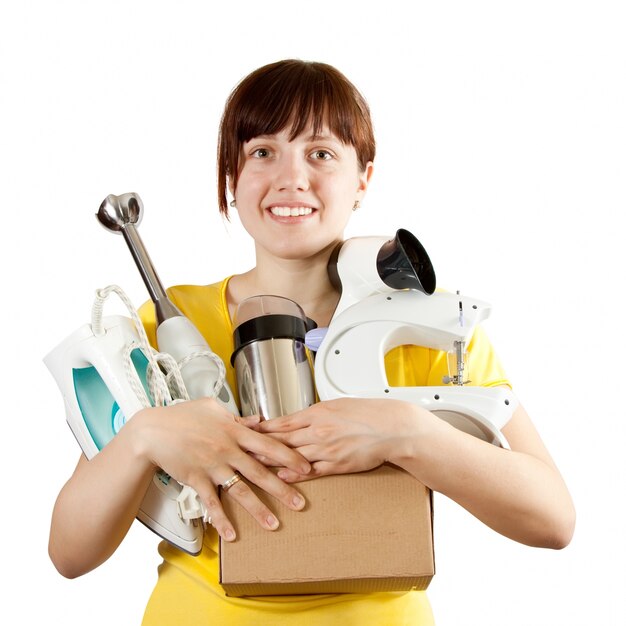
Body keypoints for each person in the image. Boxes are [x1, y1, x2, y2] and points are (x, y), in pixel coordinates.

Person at [49, 59, 575, 625]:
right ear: (232, 177)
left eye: (321, 153)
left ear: (363, 178)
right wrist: (145, 436)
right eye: (262, 152)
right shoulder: (167, 326)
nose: (291, 177)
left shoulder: (426, 321)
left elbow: (552, 518)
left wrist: (405, 432)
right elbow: (70, 553)